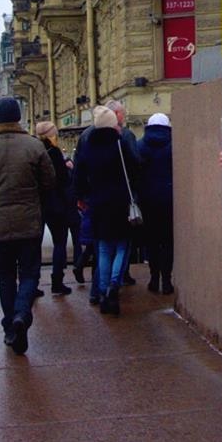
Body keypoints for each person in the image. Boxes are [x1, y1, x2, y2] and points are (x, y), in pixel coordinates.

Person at [0, 97, 55, 354]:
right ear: (17, 117)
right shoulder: (34, 146)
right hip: (29, 222)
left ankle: (10, 327)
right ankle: (22, 314)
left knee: (4, 277)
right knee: (29, 273)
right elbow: (50, 181)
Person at [73, 106, 137, 317]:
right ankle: (113, 286)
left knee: (102, 249)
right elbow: (136, 166)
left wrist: (82, 197)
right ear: (113, 124)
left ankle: (101, 292)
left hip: (97, 204)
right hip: (120, 202)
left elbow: (79, 176)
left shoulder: (88, 147)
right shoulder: (120, 145)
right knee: (121, 246)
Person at [137, 112, 174, 294]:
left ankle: (153, 279)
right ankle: (167, 281)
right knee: (167, 242)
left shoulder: (140, 145)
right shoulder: (174, 145)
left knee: (151, 241)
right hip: (169, 200)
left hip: (147, 201)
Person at [104, 98, 139, 286]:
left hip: (100, 200)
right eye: (122, 113)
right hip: (124, 196)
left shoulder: (89, 136)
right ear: (116, 115)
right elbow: (135, 162)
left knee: (103, 247)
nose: (124, 116)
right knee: (123, 243)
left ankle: (100, 288)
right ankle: (116, 281)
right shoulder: (125, 136)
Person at [35, 120, 72, 296]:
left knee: (34, 245)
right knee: (59, 242)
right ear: (51, 135)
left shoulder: (33, 151)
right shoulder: (55, 153)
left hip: (37, 204)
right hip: (56, 204)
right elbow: (63, 180)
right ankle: (57, 282)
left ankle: (32, 284)